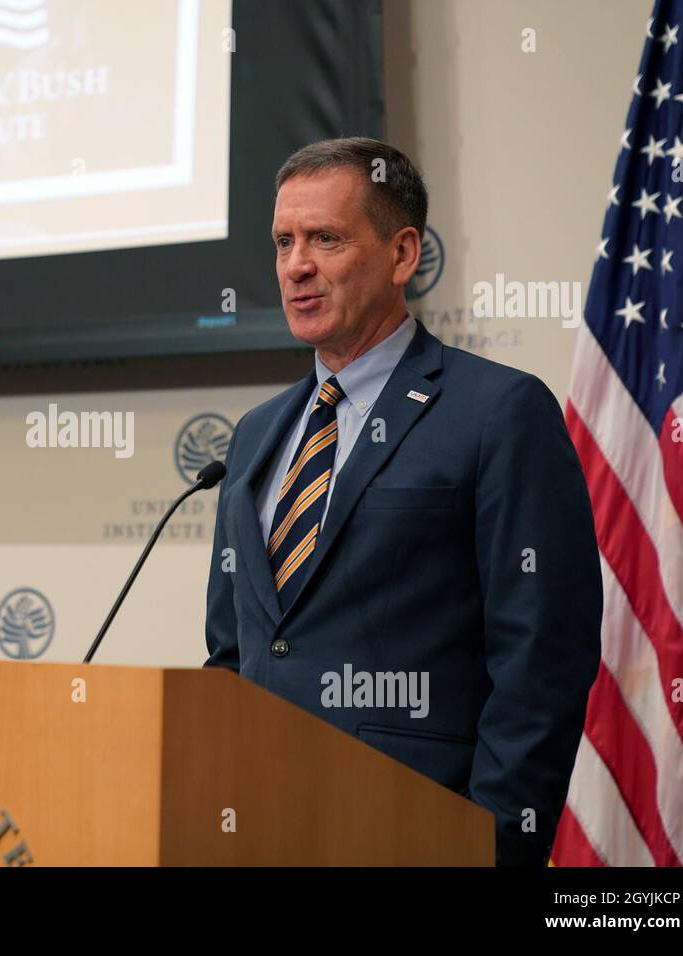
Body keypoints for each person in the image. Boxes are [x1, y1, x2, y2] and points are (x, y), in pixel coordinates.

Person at [203, 137, 602, 866]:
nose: (296, 265)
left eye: (326, 238)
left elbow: (544, 657)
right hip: (261, 830)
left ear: (403, 253)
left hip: (417, 833)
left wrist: (491, 849)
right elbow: (233, 656)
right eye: (284, 241)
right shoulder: (258, 435)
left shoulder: (497, 412)